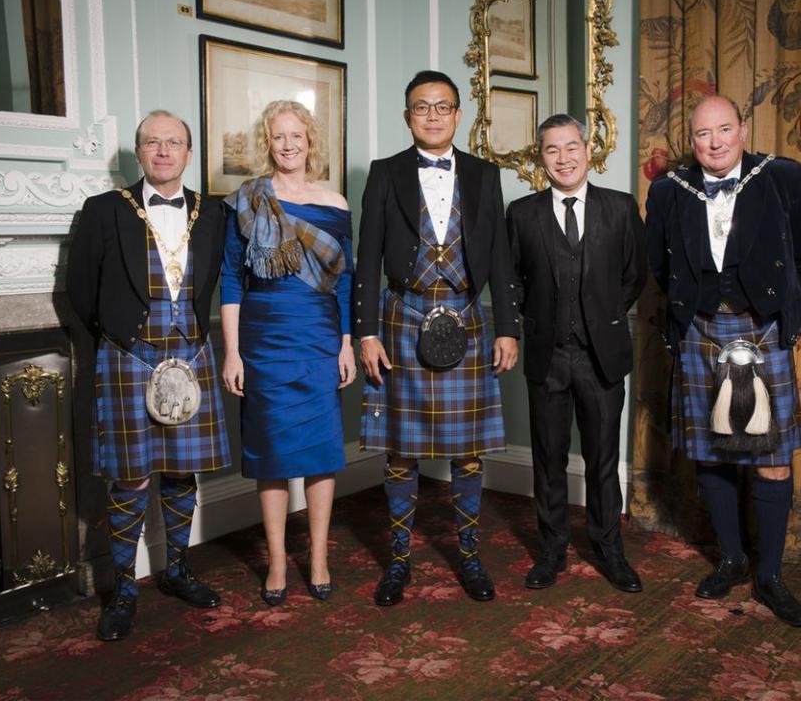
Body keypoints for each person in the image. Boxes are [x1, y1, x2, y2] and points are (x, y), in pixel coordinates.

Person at [645, 95, 801, 627]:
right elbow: (659, 262)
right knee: (711, 452)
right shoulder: (669, 190)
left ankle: (769, 577)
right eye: (704, 133)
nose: (716, 142)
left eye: (725, 130)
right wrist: (688, 309)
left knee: (770, 457)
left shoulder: (781, 176)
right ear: (692, 139)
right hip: (700, 328)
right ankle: (731, 558)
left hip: (761, 327)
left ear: (743, 130)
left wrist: (783, 305)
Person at [355, 70, 520, 606]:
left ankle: (470, 558)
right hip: (402, 318)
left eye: (442, 107)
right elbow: (367, 260)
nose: (432, 115)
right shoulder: (384, 173)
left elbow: (499, 256)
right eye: (421, 107)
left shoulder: (484, 174)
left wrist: (508, 329)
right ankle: (398, 563)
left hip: (469, 319)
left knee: (467, 452)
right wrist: (365, 333)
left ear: (457, 114)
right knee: (400, 452)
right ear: (407, 117)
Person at [66, 110, 231, 641]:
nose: (163, 152)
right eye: (152, 143)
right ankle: (123, 588)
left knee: (182, 472)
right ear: (138, 153)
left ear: (188, 153)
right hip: (125, 359)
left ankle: (178, 569)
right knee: (130, 477)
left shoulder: (214, 213)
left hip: (194, 356)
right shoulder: (102, 211)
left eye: (173, 143)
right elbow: (78, 290)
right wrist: (117, 342)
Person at [220, 100, 354, 607]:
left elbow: (345, 282)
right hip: (264, 338)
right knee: (270, 455)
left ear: (310, 141)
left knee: (322, 451)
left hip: (319, 337)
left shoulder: (336, 202)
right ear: (267, 143)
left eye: (297, 135)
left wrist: (344, 343)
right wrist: (233, 354)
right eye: (279, 136)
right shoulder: (247, 199)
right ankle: (277, 559)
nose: (289, 144)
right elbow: (232, 280)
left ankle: (318, 556)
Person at [507, 114, 646, 593]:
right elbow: (513, 282)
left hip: (602, 357)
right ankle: (552, 551)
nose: (563, 158)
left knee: (603, 460)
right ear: (540, 158)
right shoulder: (521, 214)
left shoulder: (621, 208)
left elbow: (634, 277)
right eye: (552, 150)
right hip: (548, 358)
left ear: (588, 151)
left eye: (571, 147)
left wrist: (602, 319)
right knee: (548, 459)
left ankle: (610, 550)